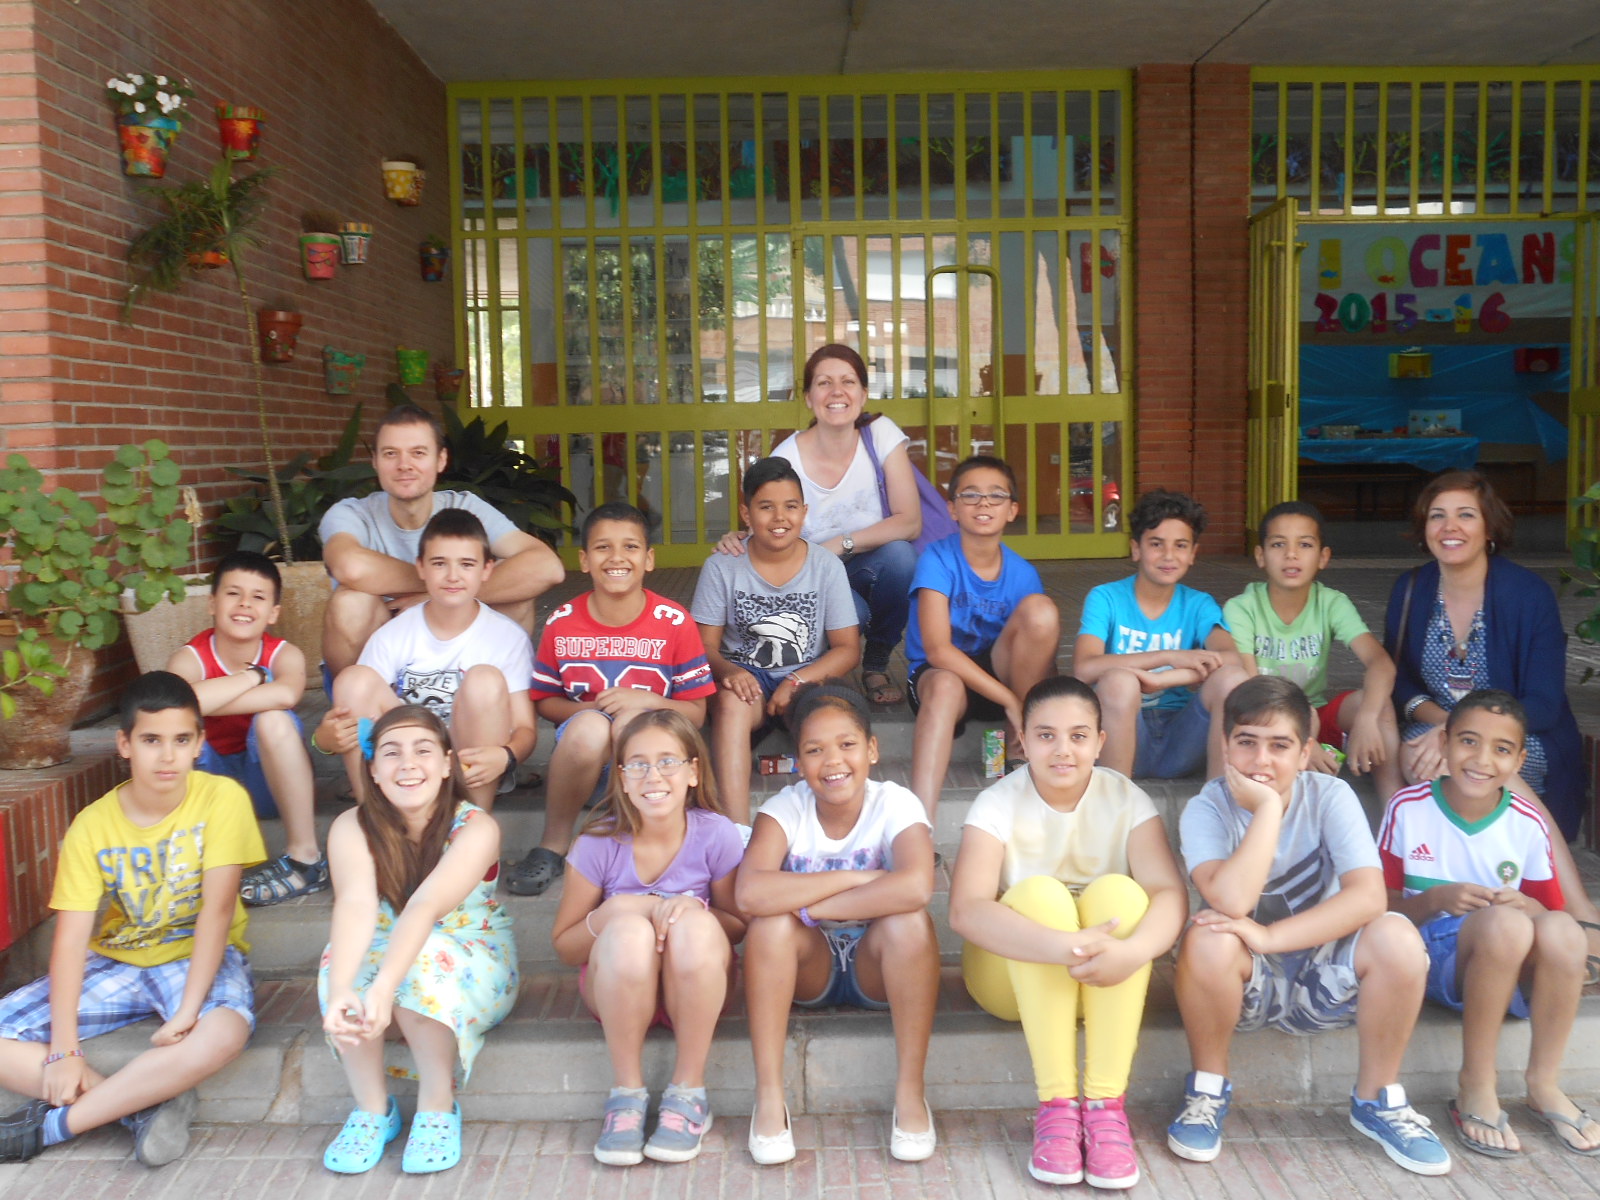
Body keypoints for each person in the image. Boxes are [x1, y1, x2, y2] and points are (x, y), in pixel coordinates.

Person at [1166, 675, 1449, 1176]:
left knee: (1398, 937)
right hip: (1246, 987)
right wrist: (1267, 810)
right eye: (1246, 742)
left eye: (1280, 746)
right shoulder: (1206, 808)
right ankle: (1207, 1091)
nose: (1261, 760)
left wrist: (1271, 936)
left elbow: (1369, 896)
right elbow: (1231, 900)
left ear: (1304, 753)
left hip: (1328, 981)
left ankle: (1378, 1099)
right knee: (1207, 938)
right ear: (1225, 747)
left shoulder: (1330, 795)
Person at [0, 672, 263, 1166]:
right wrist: (63, 1050)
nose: (167, 756)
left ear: (199, 744)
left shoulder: (221, 798)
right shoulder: (93, 825)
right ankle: (142, 1106)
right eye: (150, 740)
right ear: (124, 744)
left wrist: (188, 1012)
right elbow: (71, 940)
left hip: (193, 957)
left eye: (181, 740)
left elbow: (217, 911)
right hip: (118, 960)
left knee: (224, 1032)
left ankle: (53, 1127)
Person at [949, 677, 1187, 1189]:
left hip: (1103, 979)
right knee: (1040, 896)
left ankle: (1105, 1108)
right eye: (1046, 735)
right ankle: (1057, 1107)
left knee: (1122, 895)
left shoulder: (1126, 799)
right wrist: (1064, 946)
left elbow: (1170, 893)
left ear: (1100, 742)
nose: (1063, 750)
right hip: (1012, 982)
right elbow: (966, 911)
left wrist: (1136, 951)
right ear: (1023, 740)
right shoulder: (997, 803)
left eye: (1078, 736)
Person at [1383, 470, 1599, 982]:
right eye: (1437, 516)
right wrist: (1447, 728)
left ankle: (1579, 909)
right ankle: (1421, 887)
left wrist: (1471, 736)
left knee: (1491, 759)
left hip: (1525, 734)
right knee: (1426, 752)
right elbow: (1399, 681)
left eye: (1465, 515)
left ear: (1489, 527)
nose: (1449, 527)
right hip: (1434, 727)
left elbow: (1544, 700)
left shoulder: (1527, 593)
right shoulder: (1410, 589)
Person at [1379, 689, 1600, 1158]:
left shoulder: (1527, 822)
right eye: (1468, 741)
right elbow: (1380, 908)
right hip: (1435, 961)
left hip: (1510, 963)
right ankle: (1476, 1083)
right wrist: (1436, 899)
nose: (1482, 760)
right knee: (1504, 925)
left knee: (1563, 931)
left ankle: (1544, 1083)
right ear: (1443, 743)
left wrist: (1526, 905)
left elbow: (1550, 915)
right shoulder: (1408, 808)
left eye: (1501, 749)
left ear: (1519, 761)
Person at [736, 685, 939, 1166]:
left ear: (872, 749)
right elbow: (750, 893)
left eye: (847, 744)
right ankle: (769, 1097)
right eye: (814, 750)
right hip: (811, 968)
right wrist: (856, 878)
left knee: (909, 922)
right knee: (768, 927)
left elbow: (916, 887)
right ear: (798, 762)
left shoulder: (896, 803)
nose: (833, 761)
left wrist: (815, 907)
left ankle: (911, 1092)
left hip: (878, 965)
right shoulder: (785, 808)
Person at [318, 705, 517, 1175]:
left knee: (420, 957)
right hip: (386, 958)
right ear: (373, 769)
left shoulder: (476, 827)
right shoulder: (352, 826)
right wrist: (342, 987)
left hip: (471, 957)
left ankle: (437, 1104)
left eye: (423, 750)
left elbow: (425, 907)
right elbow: (355, 905)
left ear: (447, 764)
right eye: (391, 753)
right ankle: (372, 1109)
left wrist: (384, 986)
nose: (407, 764)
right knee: (340, 959)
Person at [551, 711, 747, 1166]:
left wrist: (694, 909)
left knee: (693, 924)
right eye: (637, 764)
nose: (652, 776)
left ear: (693, 771)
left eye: (667, 761)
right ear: (621, 778)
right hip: (617, 989)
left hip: (697, 986)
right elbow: (565, 946)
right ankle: (627, 1094)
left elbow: (739, 925)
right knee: (628, 931)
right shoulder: (598, 843)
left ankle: (689, 1091)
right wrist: (615, 911)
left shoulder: (716, 833)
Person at [506, 503, 716, 896]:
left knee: (632, 724)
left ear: (649, 559)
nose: (617, 557)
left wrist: (647, 701)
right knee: (591, 727)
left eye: (630, 547)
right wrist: (594, 709)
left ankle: (642, 846)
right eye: (603, 547)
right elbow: (545, 701)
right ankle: (553, 844)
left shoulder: (674, 621)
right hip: (585, 768)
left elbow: (697, 713)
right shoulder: (562, 621)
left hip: (655, 772)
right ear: (584, 560)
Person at [717, 344, 920, 705]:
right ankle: (822, 671)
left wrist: (838, 544)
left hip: (865, 561)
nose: (837, 392)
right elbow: (767, 523)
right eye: (824, 383)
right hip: (811, 575)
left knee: (901, 558)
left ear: (863, 394)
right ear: (809, 397)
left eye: (848, 382)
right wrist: (737, 537)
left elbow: (910, 522)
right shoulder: (786, 457)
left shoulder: (880, 433)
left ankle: (875, 664)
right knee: (852, 612)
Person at [314, 509, 537, 812]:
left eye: (466, 564)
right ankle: (376, 818)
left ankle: (472, 820)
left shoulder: (506, 637)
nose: (453, 576)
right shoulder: (394, 633)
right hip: (409, 759)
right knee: (354, 679)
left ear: (487, 569)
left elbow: (525, 728)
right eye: (439, 563)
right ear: (420, 567)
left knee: (484, 679)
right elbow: (361, 708)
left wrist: (507, 756)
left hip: (468, 765)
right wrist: (325, 739)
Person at [320, 401, 563, 676]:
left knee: (517, 594)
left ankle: (498, 692)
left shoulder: (464, 507)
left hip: (461, 660)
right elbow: (349, 566)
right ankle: (359, 701)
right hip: (380, 659)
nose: (404, 465)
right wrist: (446, 586)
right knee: (351, 601)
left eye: (418, 453)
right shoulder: (352, 513)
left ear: (441, 460)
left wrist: (433, 596)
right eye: (390, 454)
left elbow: (546, 567)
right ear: (375, 461)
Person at [692, 456, 861, 825]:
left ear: (804, 512)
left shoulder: (825, 565)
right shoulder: (722, 566)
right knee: (731, 703)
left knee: (837, 711)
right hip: (747, 679)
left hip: (807, 678)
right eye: (766, 507)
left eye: (790, 506)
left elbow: (848, 648)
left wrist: (798, 680)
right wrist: (729, 672)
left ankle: (843, 824)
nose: (779, 517)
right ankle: (736, 830)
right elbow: (702, 647)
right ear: (746, 513)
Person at [166, 550, 326, 906]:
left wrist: (202, 700)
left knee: (273, 718)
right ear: (212, 603)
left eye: (258, 597)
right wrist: (252, 678)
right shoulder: (191, 657)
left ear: (274, 613)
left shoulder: (284, 654)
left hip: (267, 783)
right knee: (175, 732)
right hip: (211, 780)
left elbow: (286, 694)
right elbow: (171, 706)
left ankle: (305, 859)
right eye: (233, 593)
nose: (244, 604)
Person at [906, 454, 1059, 823]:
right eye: (971, 495)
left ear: (1012, 510)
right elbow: (938, 650)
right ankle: (918, 824)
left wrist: (1033, 706)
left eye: (996, 495)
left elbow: (1037, 651)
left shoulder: (1023, 573)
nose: (984, 503)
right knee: (945, 685)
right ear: (952, 509)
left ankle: (1021, 749)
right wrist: (1009, 700)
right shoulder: (936, 559)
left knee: (1041, 610)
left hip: (1001, 673)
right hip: (941, 677)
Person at [1224, 501, 1401, 800]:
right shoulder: (1242, 608)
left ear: (1323, 557)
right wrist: (1304, 738)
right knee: (1305, 714)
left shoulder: (1331, 603)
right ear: (1260, 555)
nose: (1291, 554)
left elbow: (1380, 663)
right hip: (1265, 720)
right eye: (1278, 544)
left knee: (1378, 704)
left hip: (1316, 715)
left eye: (1304, 545)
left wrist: (1367, 719)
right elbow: (1253, 687)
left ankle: (1393, 808)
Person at [1073, 489, 1246, 780]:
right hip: (1122, 731)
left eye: (1180, 545)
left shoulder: (1198, 604)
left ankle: (1220, 800)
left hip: (1183, 738)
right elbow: (1084, 668)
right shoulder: (1106, 598)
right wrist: (1168, 656)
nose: (1168, 555)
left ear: (1193, 554)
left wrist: (1163, 680)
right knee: (1118, 681)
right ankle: (1114, 800)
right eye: (1156, 544)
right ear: (1136, 549)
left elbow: (1232, 661)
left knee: (1232, 680)